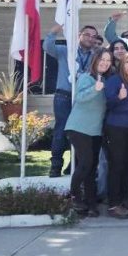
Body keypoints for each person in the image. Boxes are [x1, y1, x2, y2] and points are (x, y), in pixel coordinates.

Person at [43, 23, 98, 177]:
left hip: (84, 98)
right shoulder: (66, 51)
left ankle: (74, 165)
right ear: (79, 35)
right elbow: (47, 47)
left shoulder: (95, 56)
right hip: (64, 96)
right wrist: (54, 30)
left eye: (93, 36)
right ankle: (55, 166)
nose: (90, 38)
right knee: (61, 131)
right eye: (87, 34)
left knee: (80, 132)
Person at [64, 49, 112, 217]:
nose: (105, 63)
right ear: (95, 60)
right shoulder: (86, 77)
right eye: (102, 59)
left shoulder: (104, 80)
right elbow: (80, 98)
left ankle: (91, 204)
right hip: (79, 128)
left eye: (108, 60)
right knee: (85, 163)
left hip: (95, 131)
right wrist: (95, 89)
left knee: (91, 168)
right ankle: (74, 196)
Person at [103, 52, 128, 219]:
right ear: (121, 64)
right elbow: (107, 103)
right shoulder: (114, 81)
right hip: (116, 128)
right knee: (117, 165)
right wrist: (119, 98)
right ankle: (113, 204)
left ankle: (125, 199)